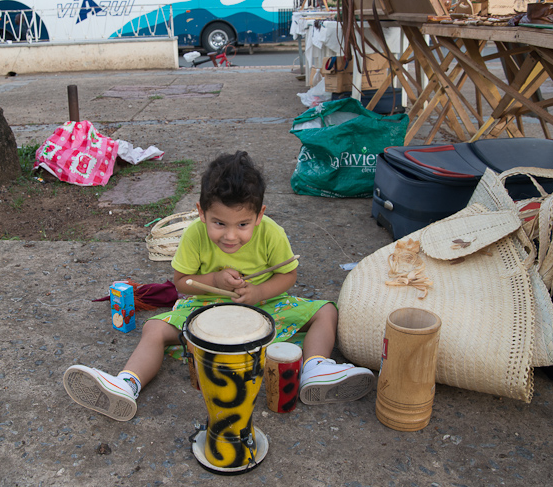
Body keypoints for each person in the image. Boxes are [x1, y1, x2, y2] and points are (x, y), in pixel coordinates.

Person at [63, 151, 374, 421]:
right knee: (154, 330)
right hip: (204, 309)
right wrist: (212, 280)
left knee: (326, 311)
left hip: (266, 307)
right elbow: (181, 283)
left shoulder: (272, 233)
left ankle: (315, 369)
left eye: (242, 225)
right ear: (201, 212)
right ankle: (126, 384)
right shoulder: (194, 235)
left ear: (259, 215)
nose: (230, 236)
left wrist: (258, 293)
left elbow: (288, 276)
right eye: (219, 223)